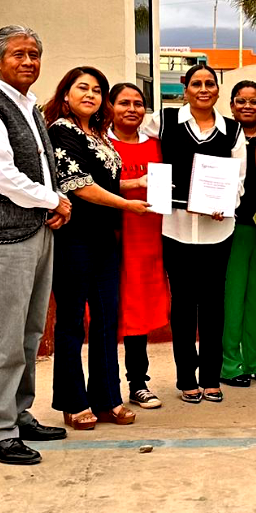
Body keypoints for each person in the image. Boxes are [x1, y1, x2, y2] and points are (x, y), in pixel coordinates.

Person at [0, 25, 71, 465]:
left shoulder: (30, 107)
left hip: (38, 230)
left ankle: (19, 413)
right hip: (6, 235)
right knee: (5, 335)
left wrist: (54, 203)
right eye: (19, 54)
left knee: (29, 332)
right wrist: (54, 199)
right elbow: (0, 175)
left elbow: (41, 167)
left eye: (34, 55)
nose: (28, 62)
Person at [46, 68, 148, 429]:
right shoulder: (62, 130)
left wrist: (137, 183)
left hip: (106, 238)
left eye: (97, 89)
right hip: (75, 237)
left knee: (107, 319)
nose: (90, 94)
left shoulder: (98, 134)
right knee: (72, 321)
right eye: (82, 87)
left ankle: (107, 398)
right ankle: (73, 401)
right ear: (66, 93)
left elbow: (108, 179)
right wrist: (128, 205)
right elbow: (79, 185)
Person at [143, 63, 245, 404]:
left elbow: (240, 180)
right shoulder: (165, 121)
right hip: (175, 228)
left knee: (214, 304)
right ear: (185, 89)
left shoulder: (232, 130)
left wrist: (224, 203)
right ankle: (187, 377)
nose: (203, 89)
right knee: (183, 305)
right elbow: (132, 136)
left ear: (218, 90)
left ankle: (211, 378)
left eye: (210, 84)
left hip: (218, 230)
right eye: (196, 83)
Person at [107, 82, 169, 409]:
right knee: (106, 313)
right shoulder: (100, 143)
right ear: (110, 107)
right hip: (110, 238)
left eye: (138, 103)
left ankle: (138, 382)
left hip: (147, 238)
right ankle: (105, 386)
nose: (131, 109)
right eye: (124, 103)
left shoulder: (158, 145)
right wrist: (134, 183)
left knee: (139, 311)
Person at [221, 80, 256, 388]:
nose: (248, 106)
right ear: (232, 105)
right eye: (241, 101)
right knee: (232, 297)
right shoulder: (223, 134)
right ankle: (230, 364)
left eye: (254, 102)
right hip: (233, 226)